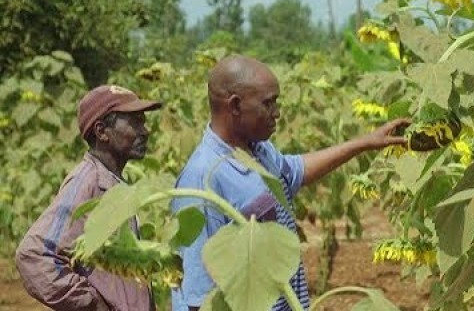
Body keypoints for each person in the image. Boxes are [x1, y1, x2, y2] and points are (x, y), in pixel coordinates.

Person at [170, 55, 409, 311]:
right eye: (268, 103)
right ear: (236, 106)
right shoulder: (202, 180)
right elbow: (198, 297)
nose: (277, 113)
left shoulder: (257, 150)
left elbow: (294, 171)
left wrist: (365, 143)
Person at [15, 85, 163, 311]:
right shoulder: (87, 182)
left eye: (143, 122)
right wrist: (92, 304)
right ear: (102, 131)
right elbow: (34, 256)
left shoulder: (112, 183)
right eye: (135, 122)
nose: (145, 131)